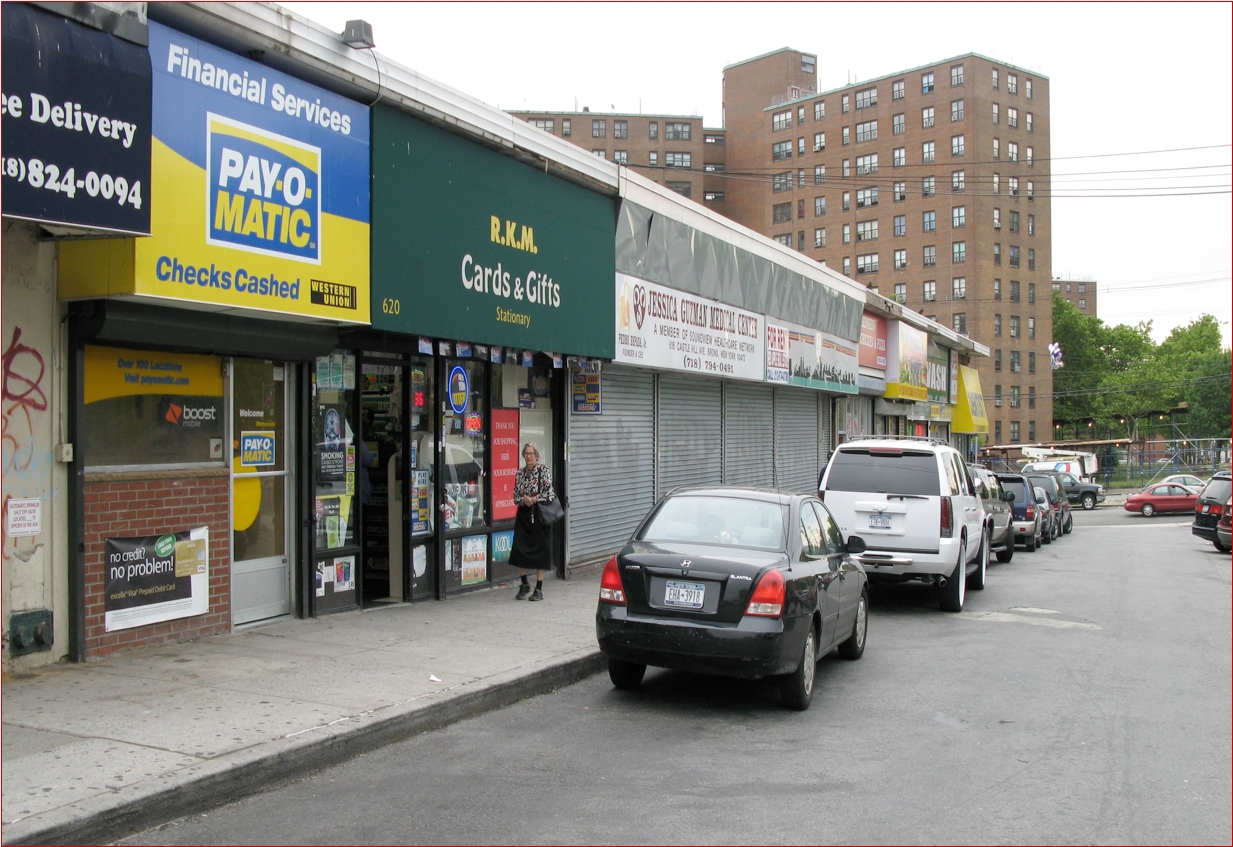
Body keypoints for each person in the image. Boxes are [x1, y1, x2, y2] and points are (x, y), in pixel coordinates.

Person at [510, 442, 555, 601]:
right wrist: (523, 499)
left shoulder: (543, 471)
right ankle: (524, 584)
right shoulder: (520, 473)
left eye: (532, 453)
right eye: (526, 453)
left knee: (540, 551)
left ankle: (539, 588)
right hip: (524, 514)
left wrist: (534, 498)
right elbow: (515, 496)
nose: (529, 456)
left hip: (540, 514)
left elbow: (550, 494)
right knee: (518, 549)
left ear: (537, 455)